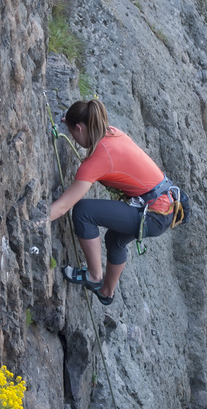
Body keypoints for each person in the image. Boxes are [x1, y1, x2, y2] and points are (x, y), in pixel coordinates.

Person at [49, 100, 177, 306]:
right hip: (166, 205)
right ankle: (107, 292)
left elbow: (64, 206)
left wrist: (34, 220)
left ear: (80, 128)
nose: (73, 137)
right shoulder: (111, 132)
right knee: (115, 239)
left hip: (153, 213)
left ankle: (94, 276)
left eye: (73, 132)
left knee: (83, 211)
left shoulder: (98, 160)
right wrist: (71, 121)